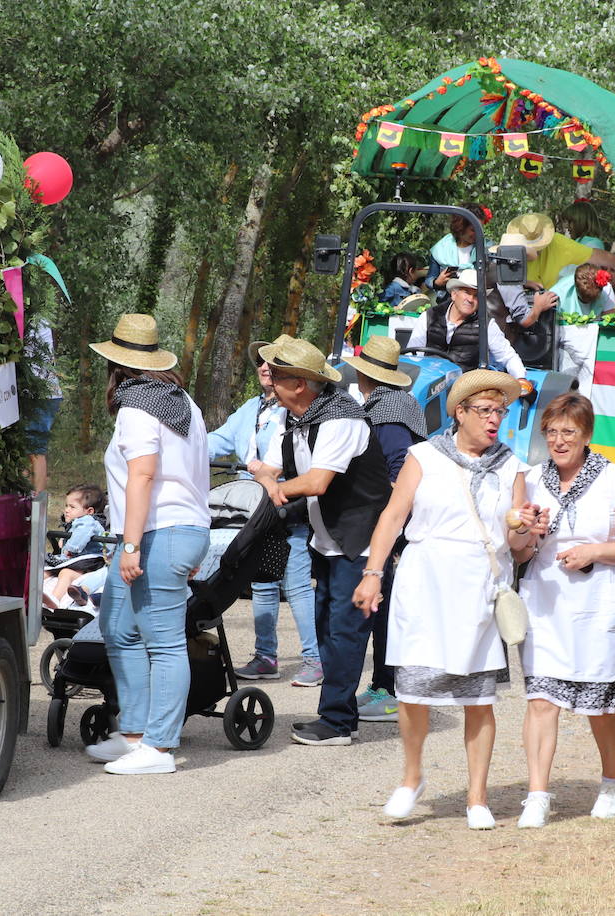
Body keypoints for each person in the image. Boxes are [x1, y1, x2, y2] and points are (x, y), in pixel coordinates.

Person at [353, 370, 534, 830]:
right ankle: (411, 778)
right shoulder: (423, 456)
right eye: (486, 411)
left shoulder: (512, 465)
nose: (495, 420)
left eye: (501, 411)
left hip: (478, 584)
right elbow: (393, 517)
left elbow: (517, 543)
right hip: (425, 580)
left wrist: (525, 528)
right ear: (460, 413)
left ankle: (477, 797)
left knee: (479, 697)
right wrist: (373, 574)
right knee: (413, 690)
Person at [513, 394, 615, 828]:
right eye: (552, 432)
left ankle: (613, 779)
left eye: (569, 432)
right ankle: (537, 794)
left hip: (599, 600)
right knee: (541, 699)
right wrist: (528, 536)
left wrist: (594, 550)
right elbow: (519, 554)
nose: (559, 441)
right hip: (545, 600)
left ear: (587, 435)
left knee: (599, 705)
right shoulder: (532, 479)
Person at [85, 314, 210, 776]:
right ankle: (134, 733)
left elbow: (143, 475)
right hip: (171, 531)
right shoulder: (183, 404)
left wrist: (132, 547)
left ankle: (159, 747)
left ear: (115, 366)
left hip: (157, 533)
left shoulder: (137, 408)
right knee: (119, 628)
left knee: (163, 643)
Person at [252, 337, 392, 746]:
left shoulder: (341, 419)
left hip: (361, 541)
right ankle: (339, 717)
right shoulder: (292, 418)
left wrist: (277, 486)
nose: (268, 381)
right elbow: (268, 469)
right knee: (328, 629)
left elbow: (316, 481)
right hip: (329, 539)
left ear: (299, 385)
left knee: (346, 632)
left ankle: (335, 724)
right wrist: (270, 481)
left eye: (276, 376)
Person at [206, 336, 322, 687]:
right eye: (260, 361)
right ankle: (266, 657)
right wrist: (180, 444)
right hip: (253, 510)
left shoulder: (297, 410)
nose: (264, 367)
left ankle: (315, 660)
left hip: (289, 506)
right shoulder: (249, 409)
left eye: (272, 362)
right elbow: (217, 440)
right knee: (262, 583)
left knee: (299, 584)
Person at [344, 335, 429, 724]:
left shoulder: (390, 409)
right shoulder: (393, 403)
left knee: (388, 608)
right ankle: (383, 685)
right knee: (385, 608)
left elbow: (398, 468)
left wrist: (389, 525)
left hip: (397, 523)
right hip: (397, 521)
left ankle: (390, 691)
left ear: (366, 375)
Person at [406, 269, 527, 381]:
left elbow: (507, 356)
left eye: (476, 295)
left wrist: (521, 378)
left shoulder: (486, 325)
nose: (470, 299)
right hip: (428, 383)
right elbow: (412, 357)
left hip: (464, 388)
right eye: (466, 292)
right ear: (454, 294)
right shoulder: (429, 316)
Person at [504, 211, 615, 292]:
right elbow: (491, 276)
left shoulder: (557, 242)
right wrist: (522, 283)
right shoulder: (509, 246)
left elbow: (595, 255)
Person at [44, 483, 107, 608]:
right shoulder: (76, 522)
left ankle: (55, 599)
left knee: (66, 573)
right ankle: (31, 593)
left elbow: (81, 536)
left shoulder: (88, 521)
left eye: (72, 507)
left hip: (88, 562)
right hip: (77, 562)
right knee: (44, 572)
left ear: (89, 511)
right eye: (66, 505)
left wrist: (69, 548)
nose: (67, 510)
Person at [24, 318, 63, 493]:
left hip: (39, 395)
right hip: (44, 393)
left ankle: (35, 504)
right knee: (29, 450)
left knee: (35, 451)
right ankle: (26, 499)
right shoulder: (41, 319)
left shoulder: (31, 321)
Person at [427, 202, 491, 308]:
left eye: (480, 229)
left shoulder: (487, 248)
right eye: (473, 229)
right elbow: (429, 279)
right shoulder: (441, 249)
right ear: (461, 227)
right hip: (447, 304)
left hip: (476, 305)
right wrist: (437, 283)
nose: (477, 233)